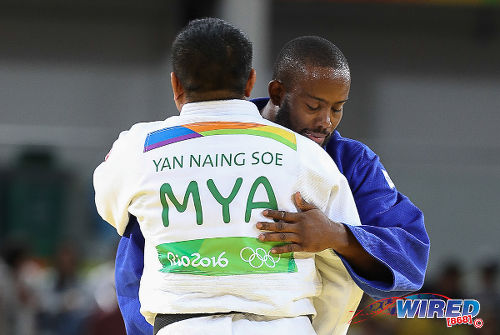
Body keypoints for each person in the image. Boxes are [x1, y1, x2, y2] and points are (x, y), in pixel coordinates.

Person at [115, 36, 430, 334]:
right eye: (314, 106)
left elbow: (410, 251)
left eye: (337, 108)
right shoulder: (206, 139)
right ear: (278, 92)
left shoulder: (349, 161)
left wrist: (336, 235)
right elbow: (139, 257)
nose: (326, 122)